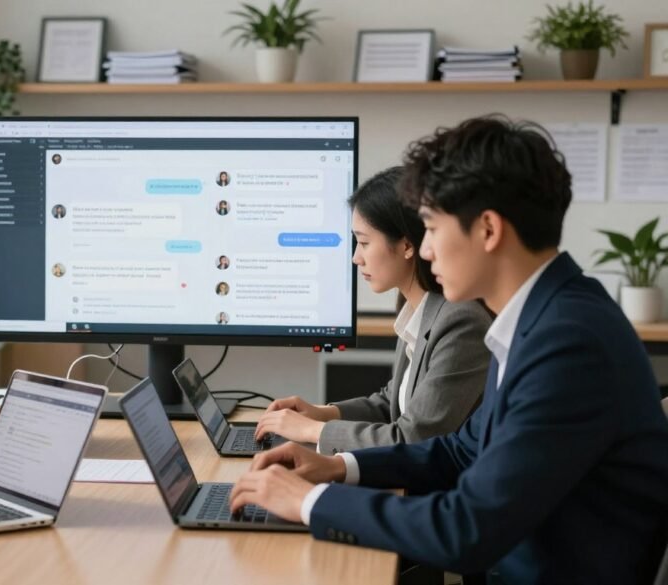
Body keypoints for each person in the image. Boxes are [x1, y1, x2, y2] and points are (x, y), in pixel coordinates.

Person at [229, 116, 668, 584]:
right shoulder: (539, 317)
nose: (425, 251)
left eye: (433, 229)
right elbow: (461, 451)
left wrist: (308, 502)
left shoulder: (569, 343)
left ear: (488, 230)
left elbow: (467, 528)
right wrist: (338, 467)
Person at [254, 167, 491, 453]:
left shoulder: (461, 322)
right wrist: (322, 413)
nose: (356, 257)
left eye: (364, 242)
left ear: (406, 245)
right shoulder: (415, 307)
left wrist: (312, 430)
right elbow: (392, 403)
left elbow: (413, 436)